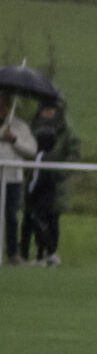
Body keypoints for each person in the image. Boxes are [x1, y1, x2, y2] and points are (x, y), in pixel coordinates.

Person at [19, 97, 73, 265]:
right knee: (29, 222)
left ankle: (47, 254)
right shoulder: (29, 128)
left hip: (52, 190)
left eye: (52, 110)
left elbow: (73, 156)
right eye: (45, 110)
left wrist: (58, 174)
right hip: (34, 189)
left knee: (50, 223)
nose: (49, 114)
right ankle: (24, 255)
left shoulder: (66, 132)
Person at [0, 89, 34, 265]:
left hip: (13, 178)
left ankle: (12, 253)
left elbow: (31, 150)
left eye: (3, 105)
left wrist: (13, 140)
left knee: (11, 216)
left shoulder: (19, 126)